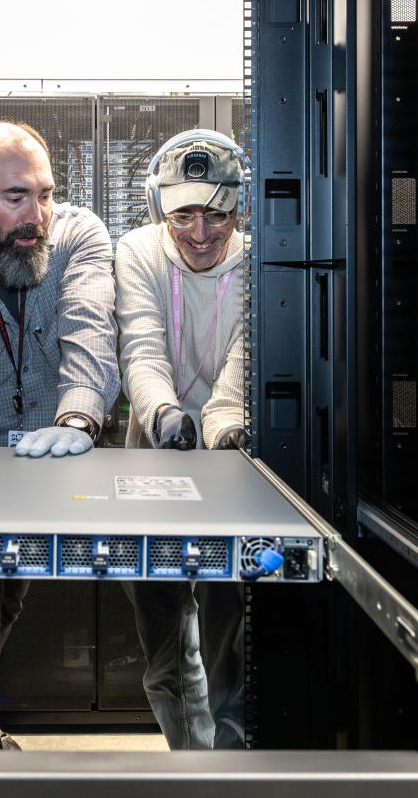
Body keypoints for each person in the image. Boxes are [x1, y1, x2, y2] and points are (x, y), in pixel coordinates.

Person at [0, 121, 119, 749]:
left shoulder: (79, 236)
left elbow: (91, 331)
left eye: (44, 193)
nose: (36, 214)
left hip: (50, 468)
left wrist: (77, 417)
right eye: (15, 197)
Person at [115, 130, 250, 750]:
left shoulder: (256, 259)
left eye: (216, 214)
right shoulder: (138, 251)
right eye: (184, 215)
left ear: (238, 210)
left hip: (234, 464)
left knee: (229, 639)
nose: (200, 233)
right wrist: (164, 412)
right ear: (157, 207)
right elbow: (141, 346)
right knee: (163, 641)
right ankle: (184, 758)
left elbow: (244, 364)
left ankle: (227, 760)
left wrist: (220, 427)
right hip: (154, 458)